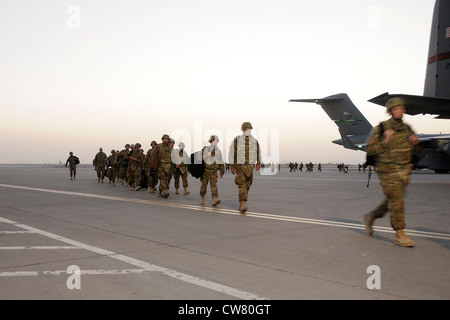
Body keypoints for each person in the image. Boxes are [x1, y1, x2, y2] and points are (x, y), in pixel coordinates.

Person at [362, 97, 421, 247]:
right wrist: (385, 141)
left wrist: (415, 143)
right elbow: (370, 149)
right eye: (396, 109)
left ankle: (371, 216)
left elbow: (416, 151)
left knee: (393, 201)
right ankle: (399, 234)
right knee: (396, 200)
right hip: (387, 170)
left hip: (404, 170)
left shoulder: (407, 128)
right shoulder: (381, 128)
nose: (400, 111)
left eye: (402, 108)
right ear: (390, 111)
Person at [228, 122, 261, 213]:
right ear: (243, 130)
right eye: (246, 129)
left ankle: (243, 197)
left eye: (250, 129)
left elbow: (258, 153)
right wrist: (232, 166)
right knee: (242, 184)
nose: (248, 131)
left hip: (250, 166)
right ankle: (242, 203)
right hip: (240, 166)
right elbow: (232, 153)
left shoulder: (254, 141)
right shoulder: (237, 140)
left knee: (248, 184)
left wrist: (258, 163)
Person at [198, 135, 224, 206]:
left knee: (214, 186)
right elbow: (199, 157)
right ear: (211, 141)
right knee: (203, 187)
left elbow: (220, 161)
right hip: (205, 171)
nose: (215, 142)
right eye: (213, 141)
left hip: (214, 171)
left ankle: (215, 199)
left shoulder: (218, 151)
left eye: (216, 141)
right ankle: (202, 197)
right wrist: (206, 155)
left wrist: (222, 171)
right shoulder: (205, 149)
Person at [154, 134, 172, 198]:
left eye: (167, 139)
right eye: (165, 139)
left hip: (168, 165)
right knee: (162, 179)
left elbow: (172, 156)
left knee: (166, 179)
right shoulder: (158, 146)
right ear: (162, 139)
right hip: (161, 165)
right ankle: (164, 191)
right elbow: (153, 156)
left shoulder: (169, 147)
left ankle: (160, 191)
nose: (166, 140)